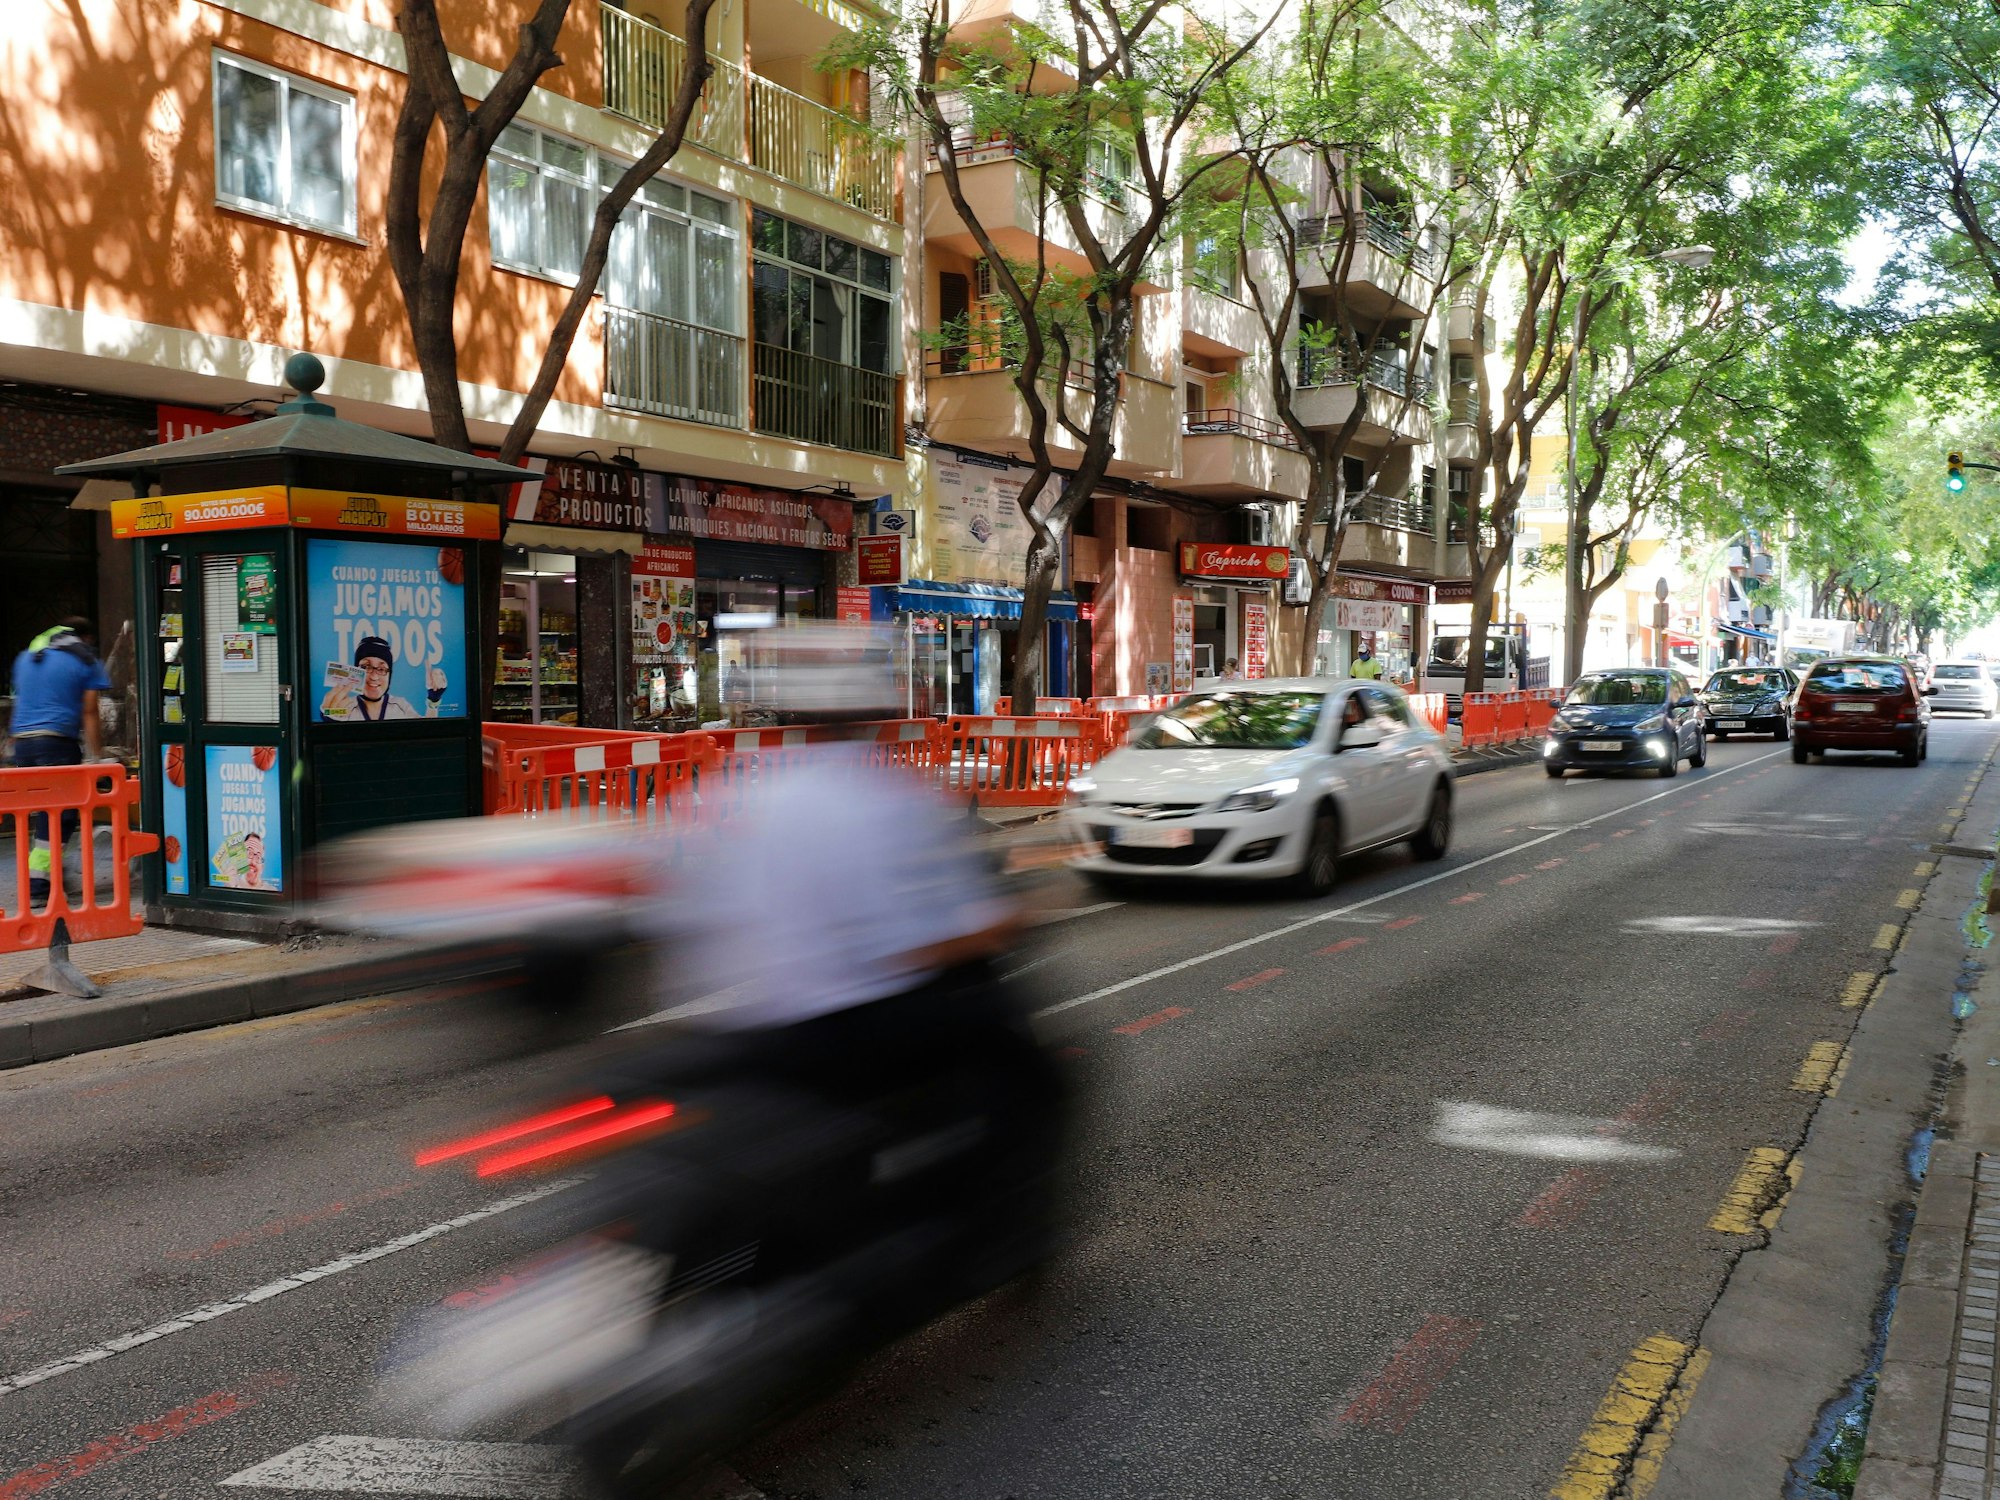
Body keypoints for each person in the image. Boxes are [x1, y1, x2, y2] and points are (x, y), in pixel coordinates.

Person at [8, 617, 111, 904]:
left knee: (42, 814)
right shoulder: (86, 660)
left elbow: (23, 701)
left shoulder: (26, 657)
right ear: (86, 638)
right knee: (59, 818)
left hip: (24, 745)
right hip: (57, 744)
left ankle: (51, 875)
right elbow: (90, 712)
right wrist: (96, 756)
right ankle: (40, 888)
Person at [320, 636, 445, 721]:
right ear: (356, 671)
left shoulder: (400, 705)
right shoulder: (345, 707)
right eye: (366, 667)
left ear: (390, 674)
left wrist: (433, 700)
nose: (374, 676)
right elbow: (330, 716)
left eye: (381, 669)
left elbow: (425, 730)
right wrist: (327, 714)